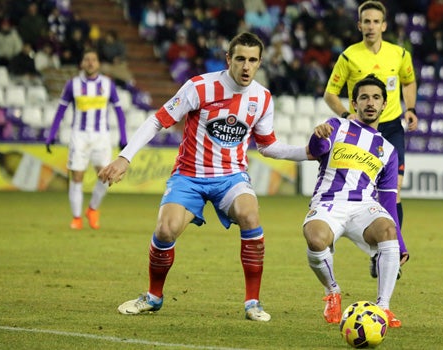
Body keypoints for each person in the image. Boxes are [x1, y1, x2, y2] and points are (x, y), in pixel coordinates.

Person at [97, 32, 312, 321]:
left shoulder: (262, 98)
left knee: (250, 215)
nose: (246, 67)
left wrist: (307, 153)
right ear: (228, 59)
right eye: (240, 59)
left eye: (252, 60)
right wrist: (125, 157)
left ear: (260, 63)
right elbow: (158, 120)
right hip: (189, 176)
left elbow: (268, 146)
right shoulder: (200, 87)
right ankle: (153, 297)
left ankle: (252, 303)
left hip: (231, 178)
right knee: (165, 230)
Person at [304, 74, 408, 328]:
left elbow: (388, 197)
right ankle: (333, 292)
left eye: (376, 98)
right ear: (354, 103)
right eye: (364, 98)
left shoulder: (388, 150)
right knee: (316, 238)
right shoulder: (337, 126)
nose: (370, 103)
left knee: (387, 229)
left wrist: (400, 241)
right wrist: (318, 136)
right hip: (329, 202)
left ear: (385, 104)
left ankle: (383, 308)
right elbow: (317, 151)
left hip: (363, 205)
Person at [323, 0, 415, 276]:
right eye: (366, 21)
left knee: (394, 191)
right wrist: (344, 113)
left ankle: (389, 253)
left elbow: (408, 82)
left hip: (392, 128)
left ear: (384, 25)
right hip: (361, 131)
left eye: (376, 21)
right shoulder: (349, 57)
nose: (371, 26)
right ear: (359, 25)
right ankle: (375, 250)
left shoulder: (399, 55)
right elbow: (330, 92)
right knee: (362, 190)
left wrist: (410, 108)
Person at [45, 49, 127, 230]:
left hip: (101, 137)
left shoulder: (108, 84)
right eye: (87, 59)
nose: (90, 62)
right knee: (77, 177)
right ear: (82, 63)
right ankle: (76, 218)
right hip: (79, 136)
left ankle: (92, 209)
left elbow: (119, 111)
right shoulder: (72, 85)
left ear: (98, 63)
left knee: (106, 176)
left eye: (94, 59)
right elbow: (60, 111)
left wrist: (123, 136)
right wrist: (52, 134)